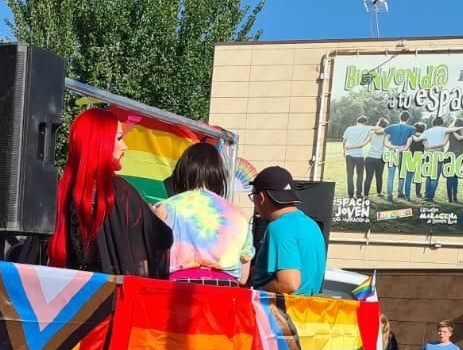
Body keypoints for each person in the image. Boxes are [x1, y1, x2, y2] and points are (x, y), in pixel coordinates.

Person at [49, 107, 171, 278]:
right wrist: (157, 218)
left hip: (70, 292)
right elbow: (159, 240)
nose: (125, 146)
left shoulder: (62, 193)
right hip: (109, 296)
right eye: (119, 138)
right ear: (101, 142)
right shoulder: (118, 192)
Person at [152, 143, 254, 282]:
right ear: (219, 176)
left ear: (182, 172)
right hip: (226, 294)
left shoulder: (167, 208)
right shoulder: (239, 215)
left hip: (177, 292)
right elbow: (243, 278)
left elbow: (150, 261)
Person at [248, 167, 325, 296]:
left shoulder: (279, 227)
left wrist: (259, 289)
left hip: (283, 312)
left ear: (261, 197)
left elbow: (289, 284)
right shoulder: (312, 226)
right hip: (308, 311)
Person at [383, 112, 417, 200]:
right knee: (401, 175)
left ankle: (389, 195)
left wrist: (394, 147)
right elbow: (407, 146)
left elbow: (386, 143)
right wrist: (400, 148)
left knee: (391, 175)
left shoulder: (392, 127)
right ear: (408, 119)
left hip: (393, 153)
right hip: (404, 154)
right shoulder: (411, 129)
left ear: (399, 117)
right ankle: (400, 193)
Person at [341, 116, 373, 200]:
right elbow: (377, 128)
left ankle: (350, 195)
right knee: (360, 175)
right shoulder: (366, 128)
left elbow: (344, 141)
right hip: (359, 155)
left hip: (349, 155)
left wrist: (344, 151)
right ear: (365, 122)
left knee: (350, 175)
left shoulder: (349, 128)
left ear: (357, 121)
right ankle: (358, 193)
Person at [366, 118, 389, 198]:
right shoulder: (386, 134)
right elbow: (387, 144)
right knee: (379, 177)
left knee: (368, 177)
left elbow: (366, 142)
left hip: (369, 157)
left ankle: (365, 194)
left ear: (378, 123)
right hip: (379, 158)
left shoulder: (372, 133)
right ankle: (379, 192)